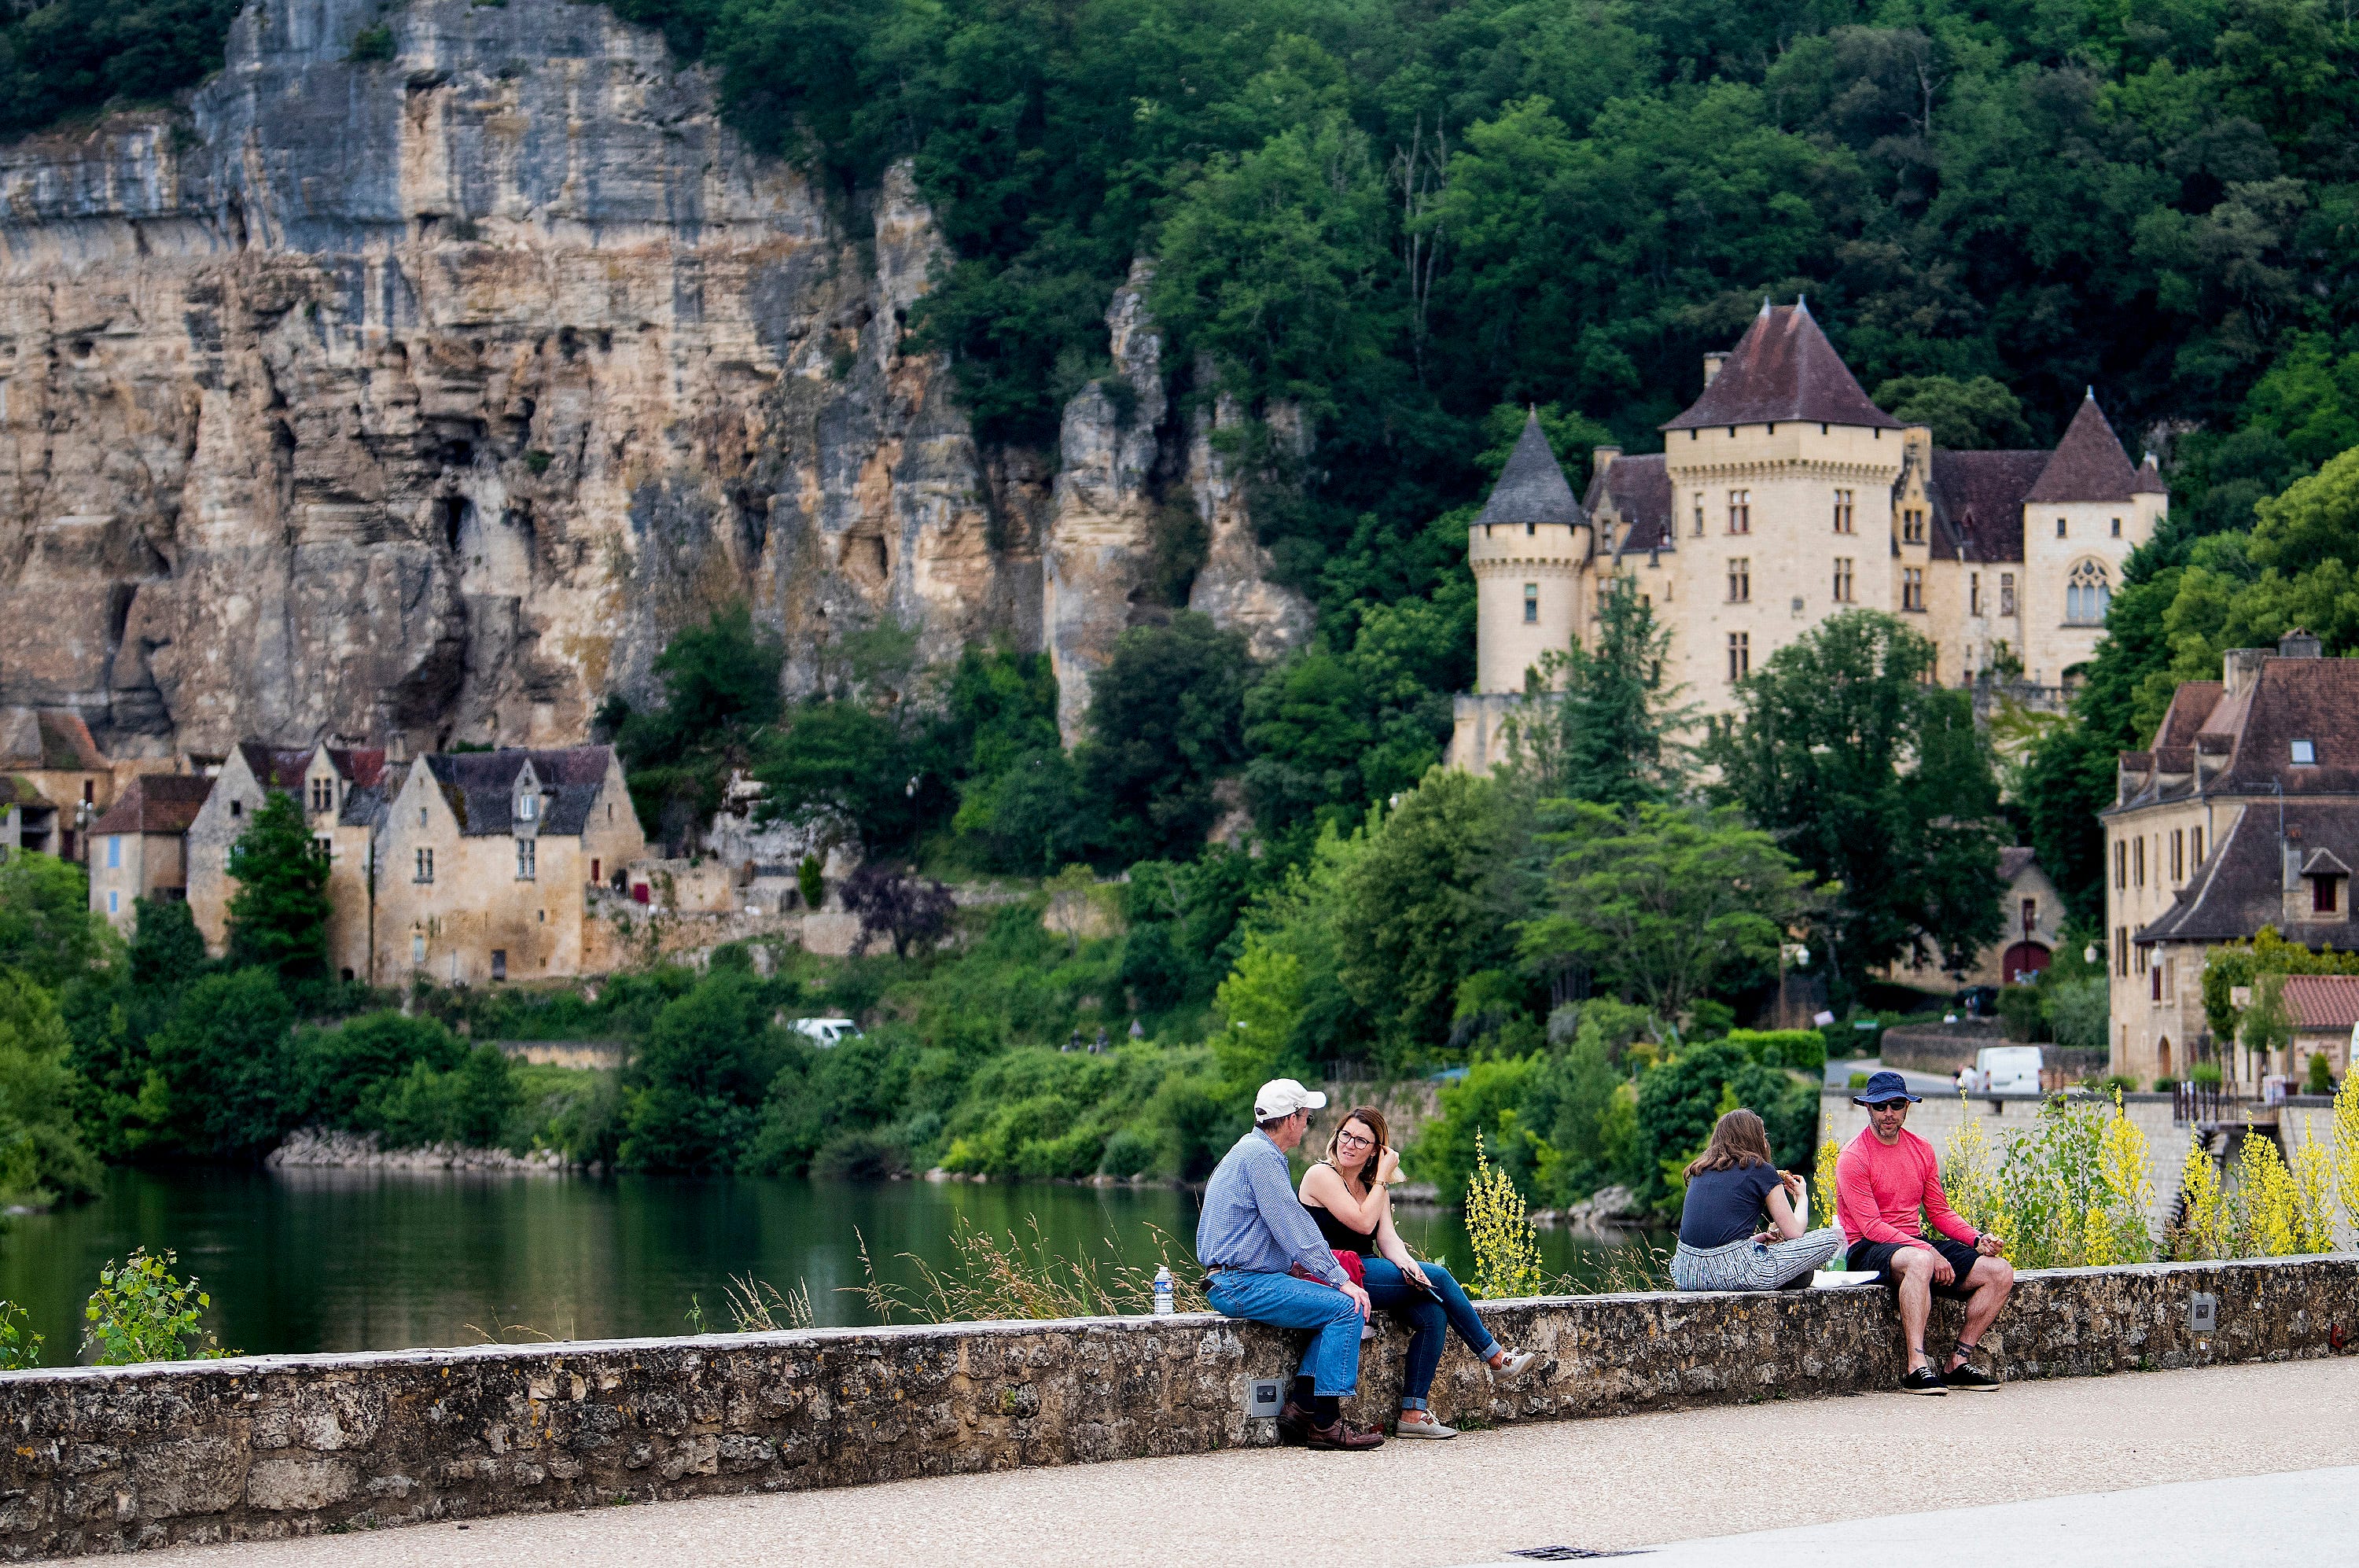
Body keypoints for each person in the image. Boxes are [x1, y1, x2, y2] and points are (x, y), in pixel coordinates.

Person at [1298, 1106, 1537, 1438]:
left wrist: (1407, 1265)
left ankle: (1412, 1414)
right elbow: (1362, 1221)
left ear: (1375, 1152)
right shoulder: (1321, 1175)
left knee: (1432, 1313)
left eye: (1361, 1141)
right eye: (1346, 1135)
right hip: (1334, 1273)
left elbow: (1387, 1239)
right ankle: (1495, 1358)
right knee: (1438, 1276)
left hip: (1366, 1273)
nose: (1349, 1144)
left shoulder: (1373, 1186)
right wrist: (1383, 1177)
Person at [1196, 1079, 1384, 1450]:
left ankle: (1300, 1412)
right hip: (1242, 1283)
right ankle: (1326, 1424)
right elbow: (1292, 1226)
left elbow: (1273, 1230)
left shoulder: (1251, 1151)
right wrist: (1340, 1278)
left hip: (1237, 1279)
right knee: (1346, 1308)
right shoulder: (1262, 1158)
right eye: (1306, 1118)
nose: (1307, 1124)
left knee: (1329, 1306)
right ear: (1291, 1120)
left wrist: (1307, 1272)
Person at [1835, 1071, 2015, 1394]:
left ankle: (1957, 1363)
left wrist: (1977, 1239)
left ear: (1907, 1107)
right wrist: (1931, 1253)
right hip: (1867, 1248)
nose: (1888, 1113)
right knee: (1920, 1261)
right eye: (1880, 1106)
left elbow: (1939, 1212)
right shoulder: (1853, 1157)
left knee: (2000, 1272)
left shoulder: (1921, 1149)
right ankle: (1916, 1367)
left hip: (1913, 1245)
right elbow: (1871, 1227)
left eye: (1896, 1104)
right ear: (1867, 1108)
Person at [1668, 1109, 1842, 1292]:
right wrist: (1802, 1198)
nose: (1765, 1140)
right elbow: (1795, 1234)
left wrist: (1750, 1242)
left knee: (1797, 1269)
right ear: (1753, 1137)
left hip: (1685, 1273)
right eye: (1762, 1134)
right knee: (1829, 1239)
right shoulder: (1760, 1170)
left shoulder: (1700, 1170)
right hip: (1738, 1274)